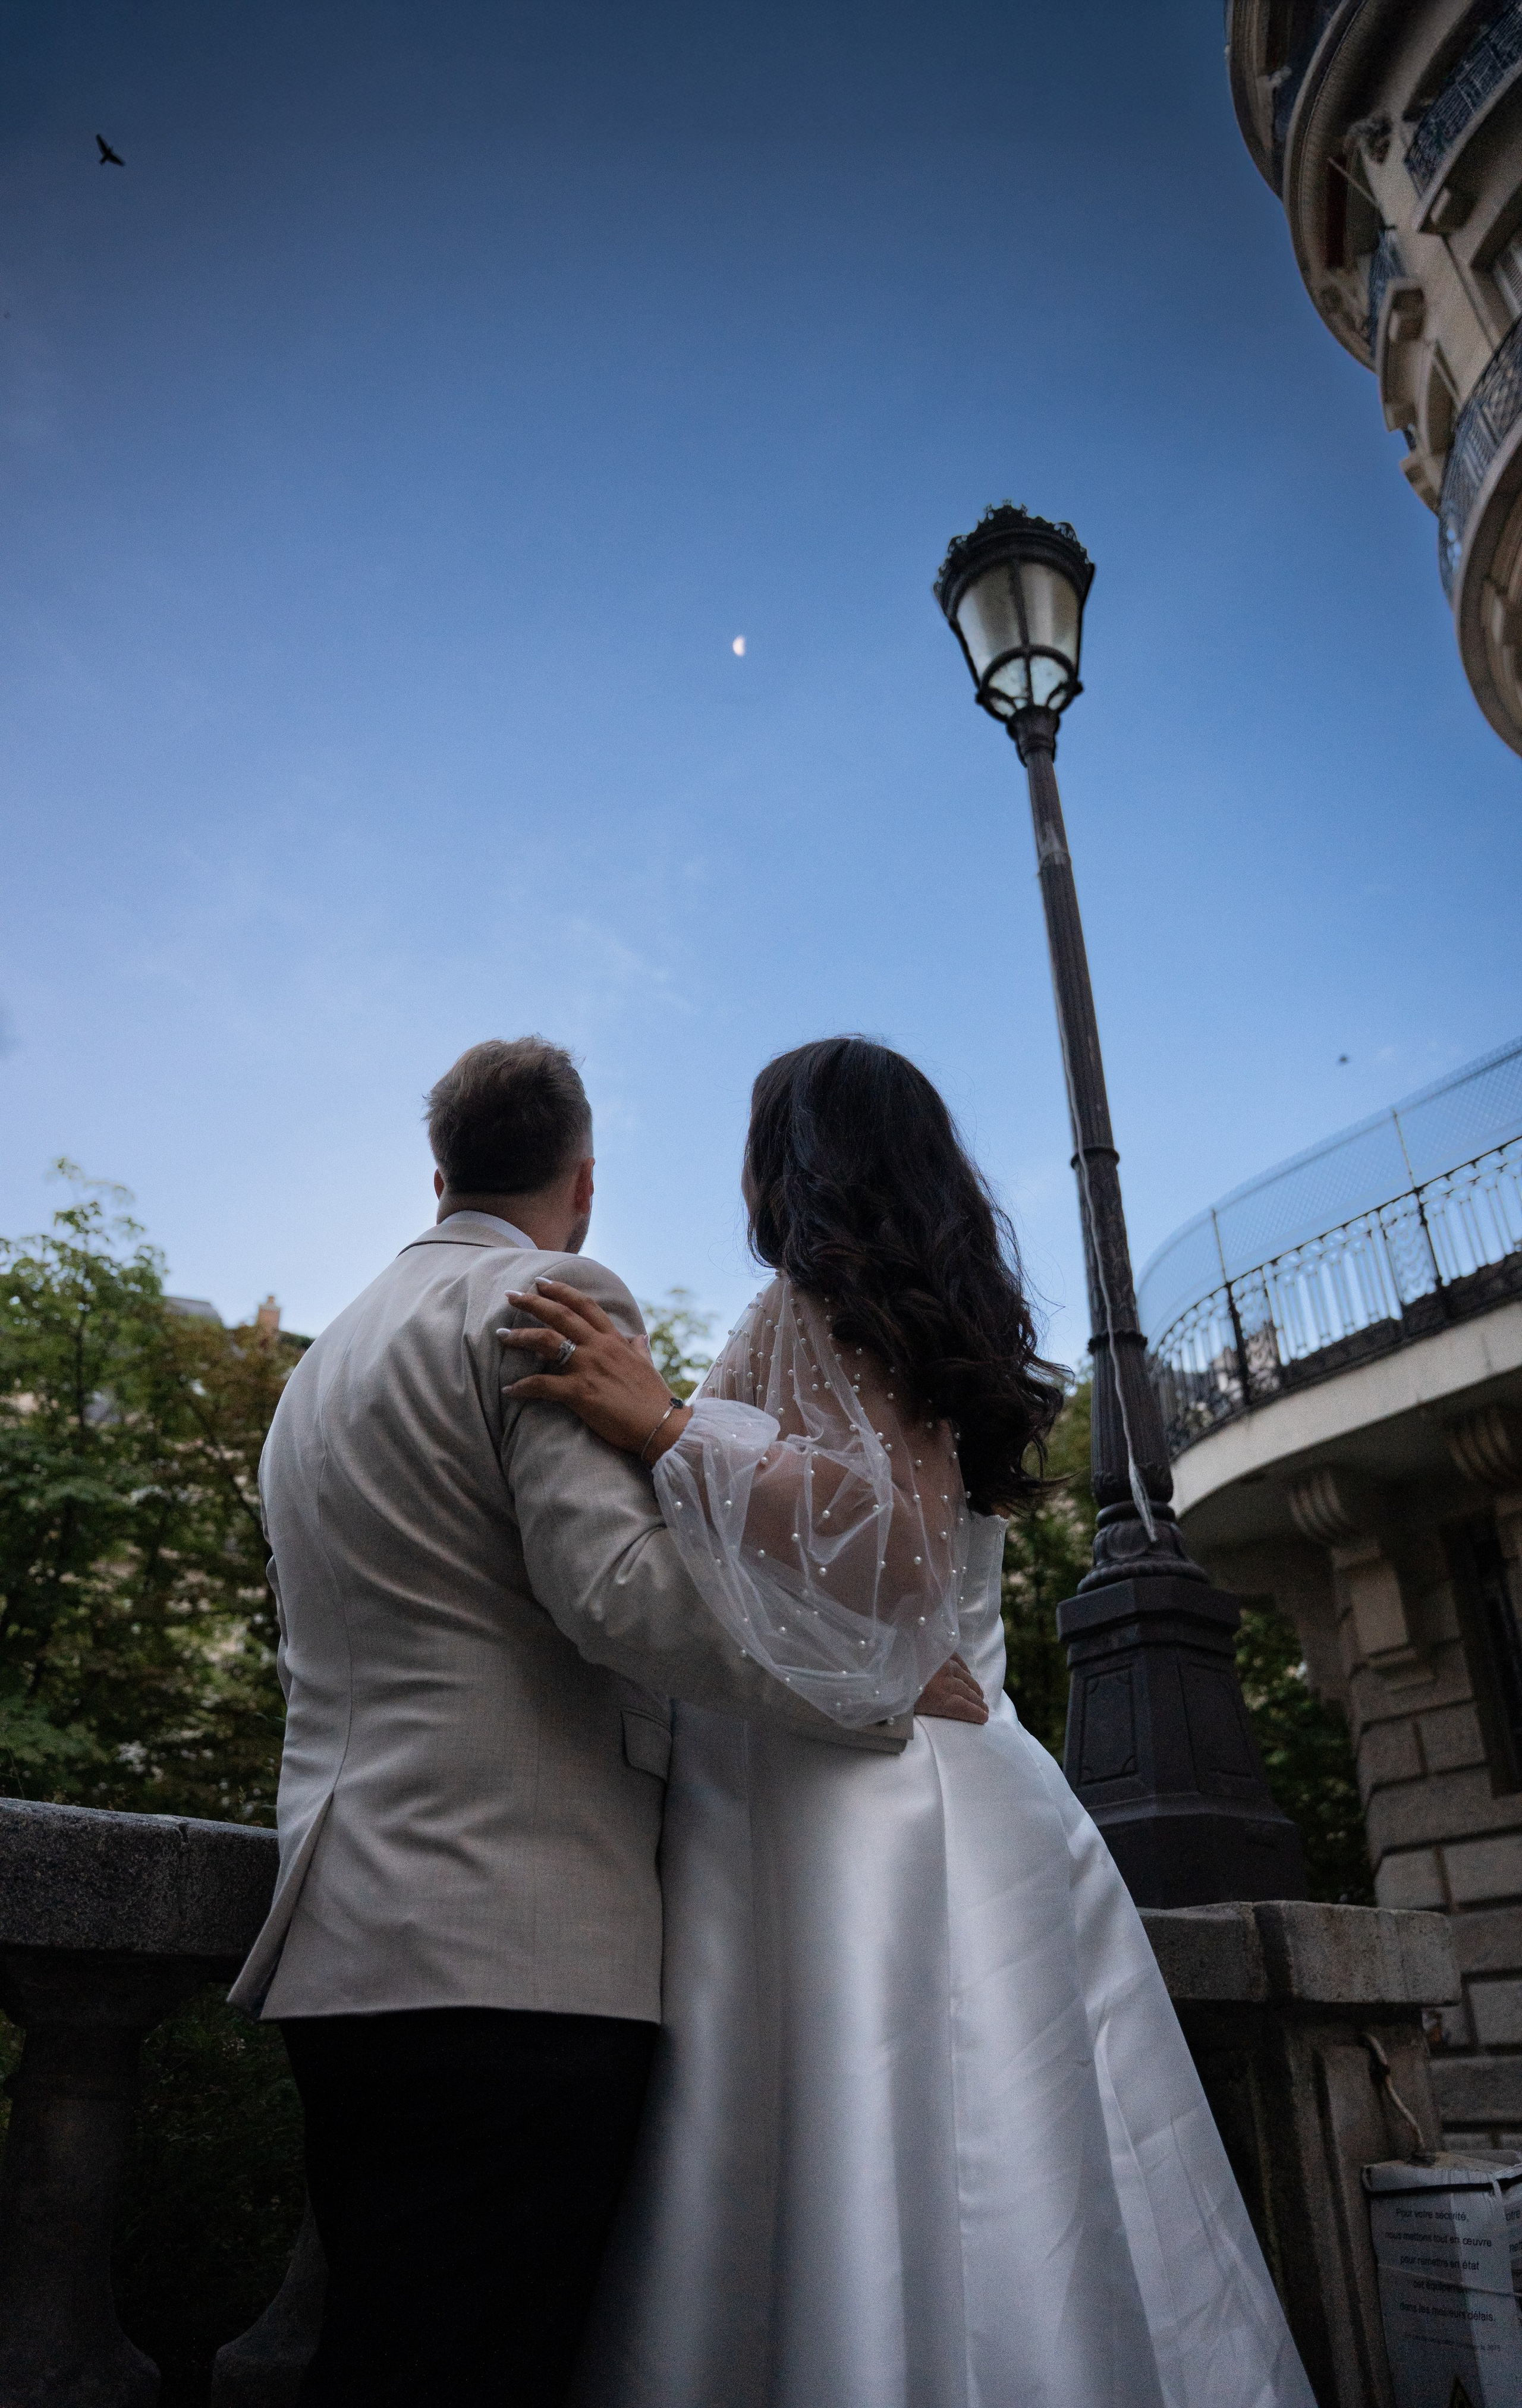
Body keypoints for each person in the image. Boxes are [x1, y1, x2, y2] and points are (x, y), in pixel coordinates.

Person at [501, 1035, 1316, 2408]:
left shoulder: (806, 1308)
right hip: (953, 1766)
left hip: (864, 1792)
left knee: (868, 2136)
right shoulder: (922, 1318)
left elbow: (897, 1552)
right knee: (1028, 2164)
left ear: (786, 1159)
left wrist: (662, 1432)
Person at [228, 1035, 985, 2408]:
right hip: (516, 1941)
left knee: (386, 2343)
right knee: (481, 2357)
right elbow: (619, 1596)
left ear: (440, 1171)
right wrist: (865, 1691)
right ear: (582, 1183)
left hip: (336, 1942)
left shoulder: (322, 1362)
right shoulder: (549, 1295)